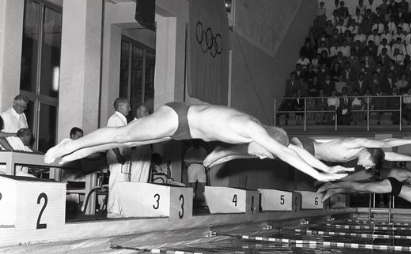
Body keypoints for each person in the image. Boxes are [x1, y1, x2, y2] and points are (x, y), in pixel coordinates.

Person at [45, 100, 352, 182]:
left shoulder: (257, 137)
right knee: (123, 135)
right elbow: (285, 154)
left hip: (184, 130)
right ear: (268, 140)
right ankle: (70, 145)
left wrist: (325, 168)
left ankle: (73, 151)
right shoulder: (253, 130)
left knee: (129, 141)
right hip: (179, 117)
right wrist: (320, 175)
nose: (260, 157)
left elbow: (293, 151)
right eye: (264, 154)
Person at [204, 125, 411, 174]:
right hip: (308, 146)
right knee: (268, 152)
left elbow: (386, 154)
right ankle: (224, 151)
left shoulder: (359, 154)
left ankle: (226, 154)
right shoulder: (356, 143)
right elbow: (384, 144)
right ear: (370, 154)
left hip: (310, 151)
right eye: (370, 165)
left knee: (264, 154)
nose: (367, 167)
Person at [104, 98, 131, 217]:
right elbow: (111, 138)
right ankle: (112, 211)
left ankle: (119, 210)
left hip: (122, 158)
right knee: (116, 183)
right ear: (120, 106)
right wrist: (118, 155)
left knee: (122, 183)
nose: (130, 109)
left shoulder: (122, 120)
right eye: (128, 106)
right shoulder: (114, 119)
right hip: (117, 157)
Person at [129, 104, 151, 183]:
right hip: (136, 156)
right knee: (135, 178)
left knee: (144, 179)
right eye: (145, 112)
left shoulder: (146, 125)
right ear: (138, 112)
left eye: (148, 112)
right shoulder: (132, 124)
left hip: (146, 155)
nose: (147, 114)